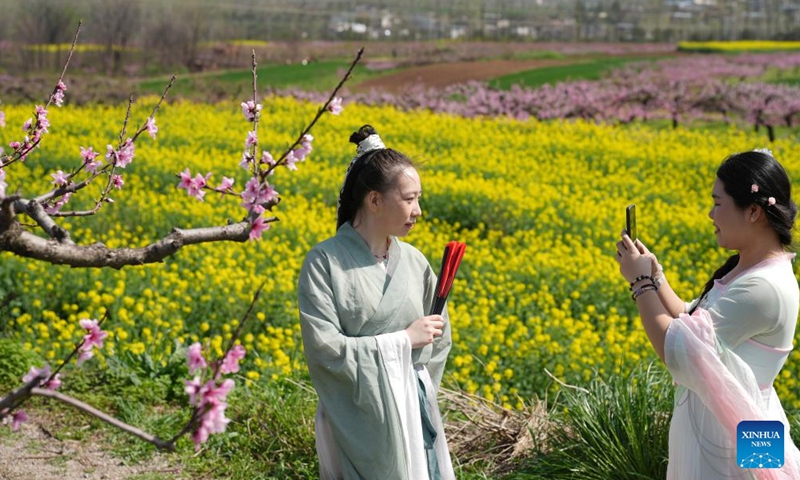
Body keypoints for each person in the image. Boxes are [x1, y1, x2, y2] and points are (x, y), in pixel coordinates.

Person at [615, 149, 800, 479]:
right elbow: (695, 320)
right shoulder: (754, 270)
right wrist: (657, 278)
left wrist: (640, 283)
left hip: (731, 436)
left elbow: (679, 349)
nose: (710, 214)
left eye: (717, 203)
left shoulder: (765, 288)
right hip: (741, 418)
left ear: (754, 211)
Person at [297, 125, 455, 479]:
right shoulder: (324, 263)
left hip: (411, 412)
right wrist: (402, 342)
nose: (418, 211)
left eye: (418, 198)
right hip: (352, 417)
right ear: (374, 200)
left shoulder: (415, 262)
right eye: (410, 199)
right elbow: (324, 350)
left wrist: (414, 390)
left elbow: (439, 340)